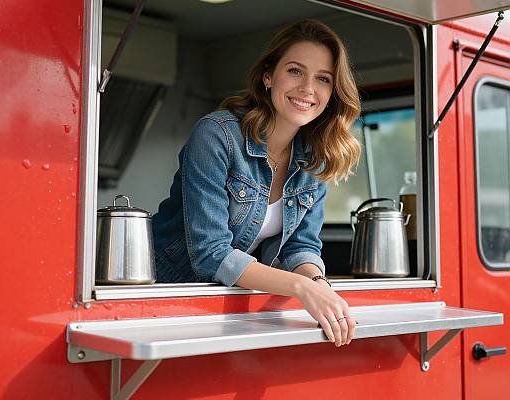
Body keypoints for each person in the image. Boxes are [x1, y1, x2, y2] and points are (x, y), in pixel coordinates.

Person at [152, 19, 361, 347]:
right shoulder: (218, 135)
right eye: (295, 71)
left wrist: (319, 285)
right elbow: (211, 253)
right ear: (268, 76)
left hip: (226, 306)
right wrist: (301, 288)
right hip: (162, 295)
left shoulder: (315, 158)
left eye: (323, 79)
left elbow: (300, 247)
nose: (308, 88)